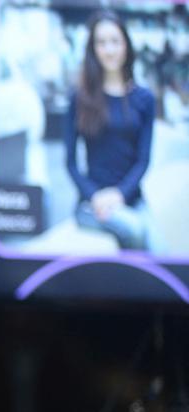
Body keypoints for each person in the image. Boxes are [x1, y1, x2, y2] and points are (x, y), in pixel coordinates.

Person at [64, 10, 161, 252]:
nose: (109, 50)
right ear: (93, 48)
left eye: (115, 41)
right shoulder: (79, 98)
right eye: (101, 42)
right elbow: (70, 163)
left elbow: (143, 160)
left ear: (126, 45)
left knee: (162, 252)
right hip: (90, 203)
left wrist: (120, 195)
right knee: (136, 232)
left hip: (131, 199)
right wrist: (94, 195)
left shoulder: (144, 99)